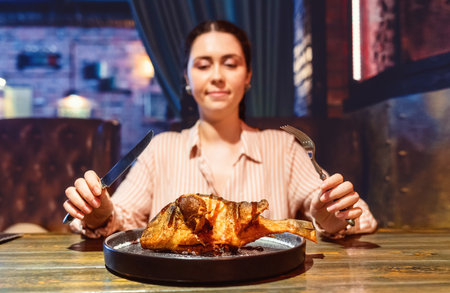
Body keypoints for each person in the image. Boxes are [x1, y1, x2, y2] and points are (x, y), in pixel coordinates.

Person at [63, 20, 377, 239]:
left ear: (248, 75)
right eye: (203, 65)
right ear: (187, 78)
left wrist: (330, 215)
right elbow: (121, 219)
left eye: (230, 63)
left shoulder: (282, 147)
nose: (217, 76)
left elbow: (334, 210)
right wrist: (99, 212)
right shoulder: (160, 150)